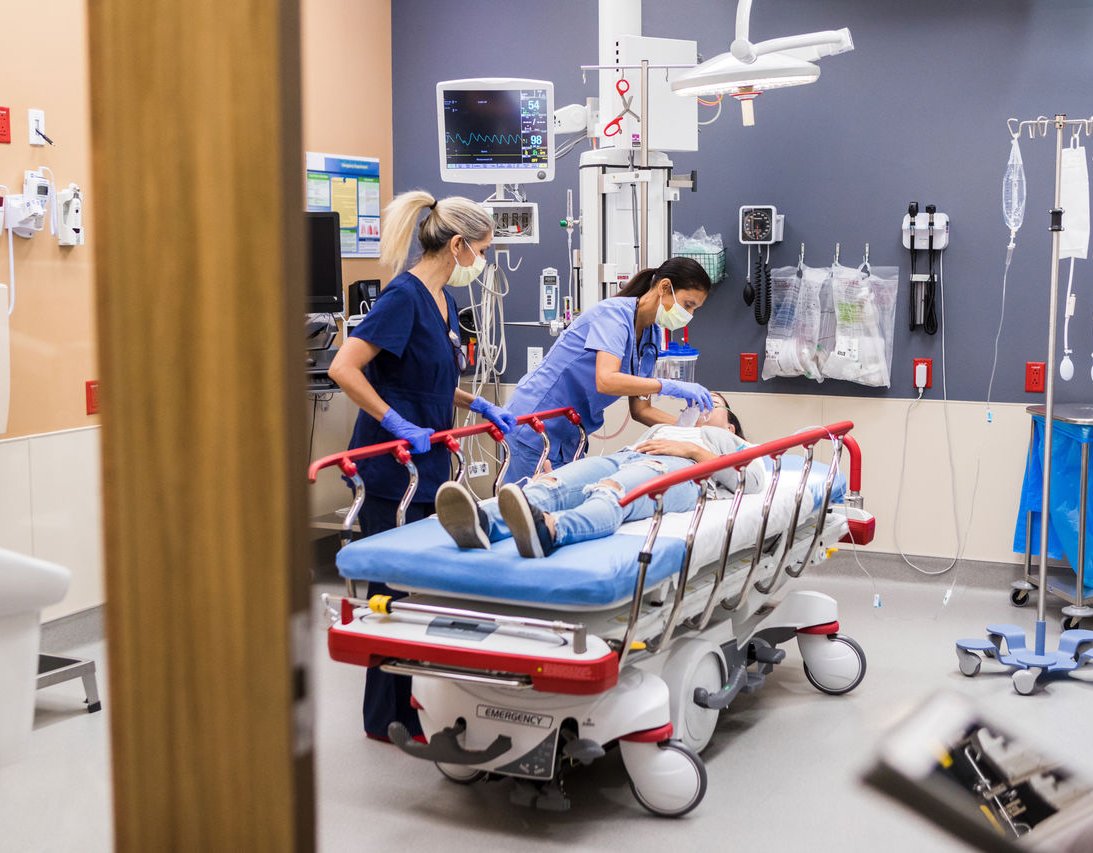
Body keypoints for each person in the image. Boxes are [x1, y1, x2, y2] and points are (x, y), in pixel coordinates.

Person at [326, 189, 517, 741]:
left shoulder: (440, 303)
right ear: (457, 245)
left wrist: (473, 402)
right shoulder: (403, 297)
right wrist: (393, 422)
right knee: (391, 594)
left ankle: (414, 706)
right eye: (481, 251)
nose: (482, 263)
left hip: (428, 464)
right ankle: (386, 718)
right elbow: (345, 367)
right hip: (392, 469)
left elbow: (423, 376)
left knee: (418, 593)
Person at [436, 393, 764, 557]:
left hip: (684, 472)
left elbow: (754, 480)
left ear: (730, 423)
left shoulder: (731, 441)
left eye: (714, 402)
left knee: (610, 491)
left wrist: (693, 452)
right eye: (698, 400)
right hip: (629, 456)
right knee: (555, 484)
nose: (703, 404)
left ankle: (551, 531)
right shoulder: (666, 428)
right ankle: (483, 522)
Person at [501, 256, 717, 485]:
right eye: (688, 305)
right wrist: (669, 385)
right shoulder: (613, 315)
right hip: (535, 425)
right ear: (665, 287)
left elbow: (641, 410)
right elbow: (606, 380)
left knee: (557, 512)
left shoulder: (651, 335)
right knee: (527, 512)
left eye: (694, 309)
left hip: (571, 434)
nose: (689, 315)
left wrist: (690, 435)